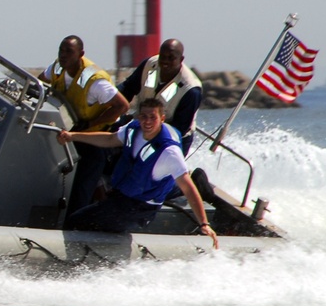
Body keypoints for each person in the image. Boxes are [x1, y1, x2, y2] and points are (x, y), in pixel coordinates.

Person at [56, 98, 219, 248]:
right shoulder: (133, 129)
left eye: (152, 117)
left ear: (161, 119)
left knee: (76, 222)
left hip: (140, 209)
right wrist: (72, 136)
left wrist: (204, 223)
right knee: (80, 218)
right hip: (121, 197)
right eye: (143, 116)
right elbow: (110, 139)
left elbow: (188, 188)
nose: (147, 121)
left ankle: (81, 264)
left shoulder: (169, 152)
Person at [39, 35, 130, 215]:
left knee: (82, 184)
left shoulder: (95, 81)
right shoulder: (58, 66)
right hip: (71, 133)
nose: (63, 55)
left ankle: (76, 221)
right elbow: (40, 84)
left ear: (81, 54)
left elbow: (122, 106)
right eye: (61, 50)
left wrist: (90, 123)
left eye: (69, 52)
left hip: (97, 139)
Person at [118, 38, 203, 155]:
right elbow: (127, 89)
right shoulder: (149, 65)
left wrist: (147, 139)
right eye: (162, 56)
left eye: (171, 58)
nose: (165, 61)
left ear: (181, 59)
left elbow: (179, 128)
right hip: (142, 126)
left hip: (172, 139)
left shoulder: (190, 89)